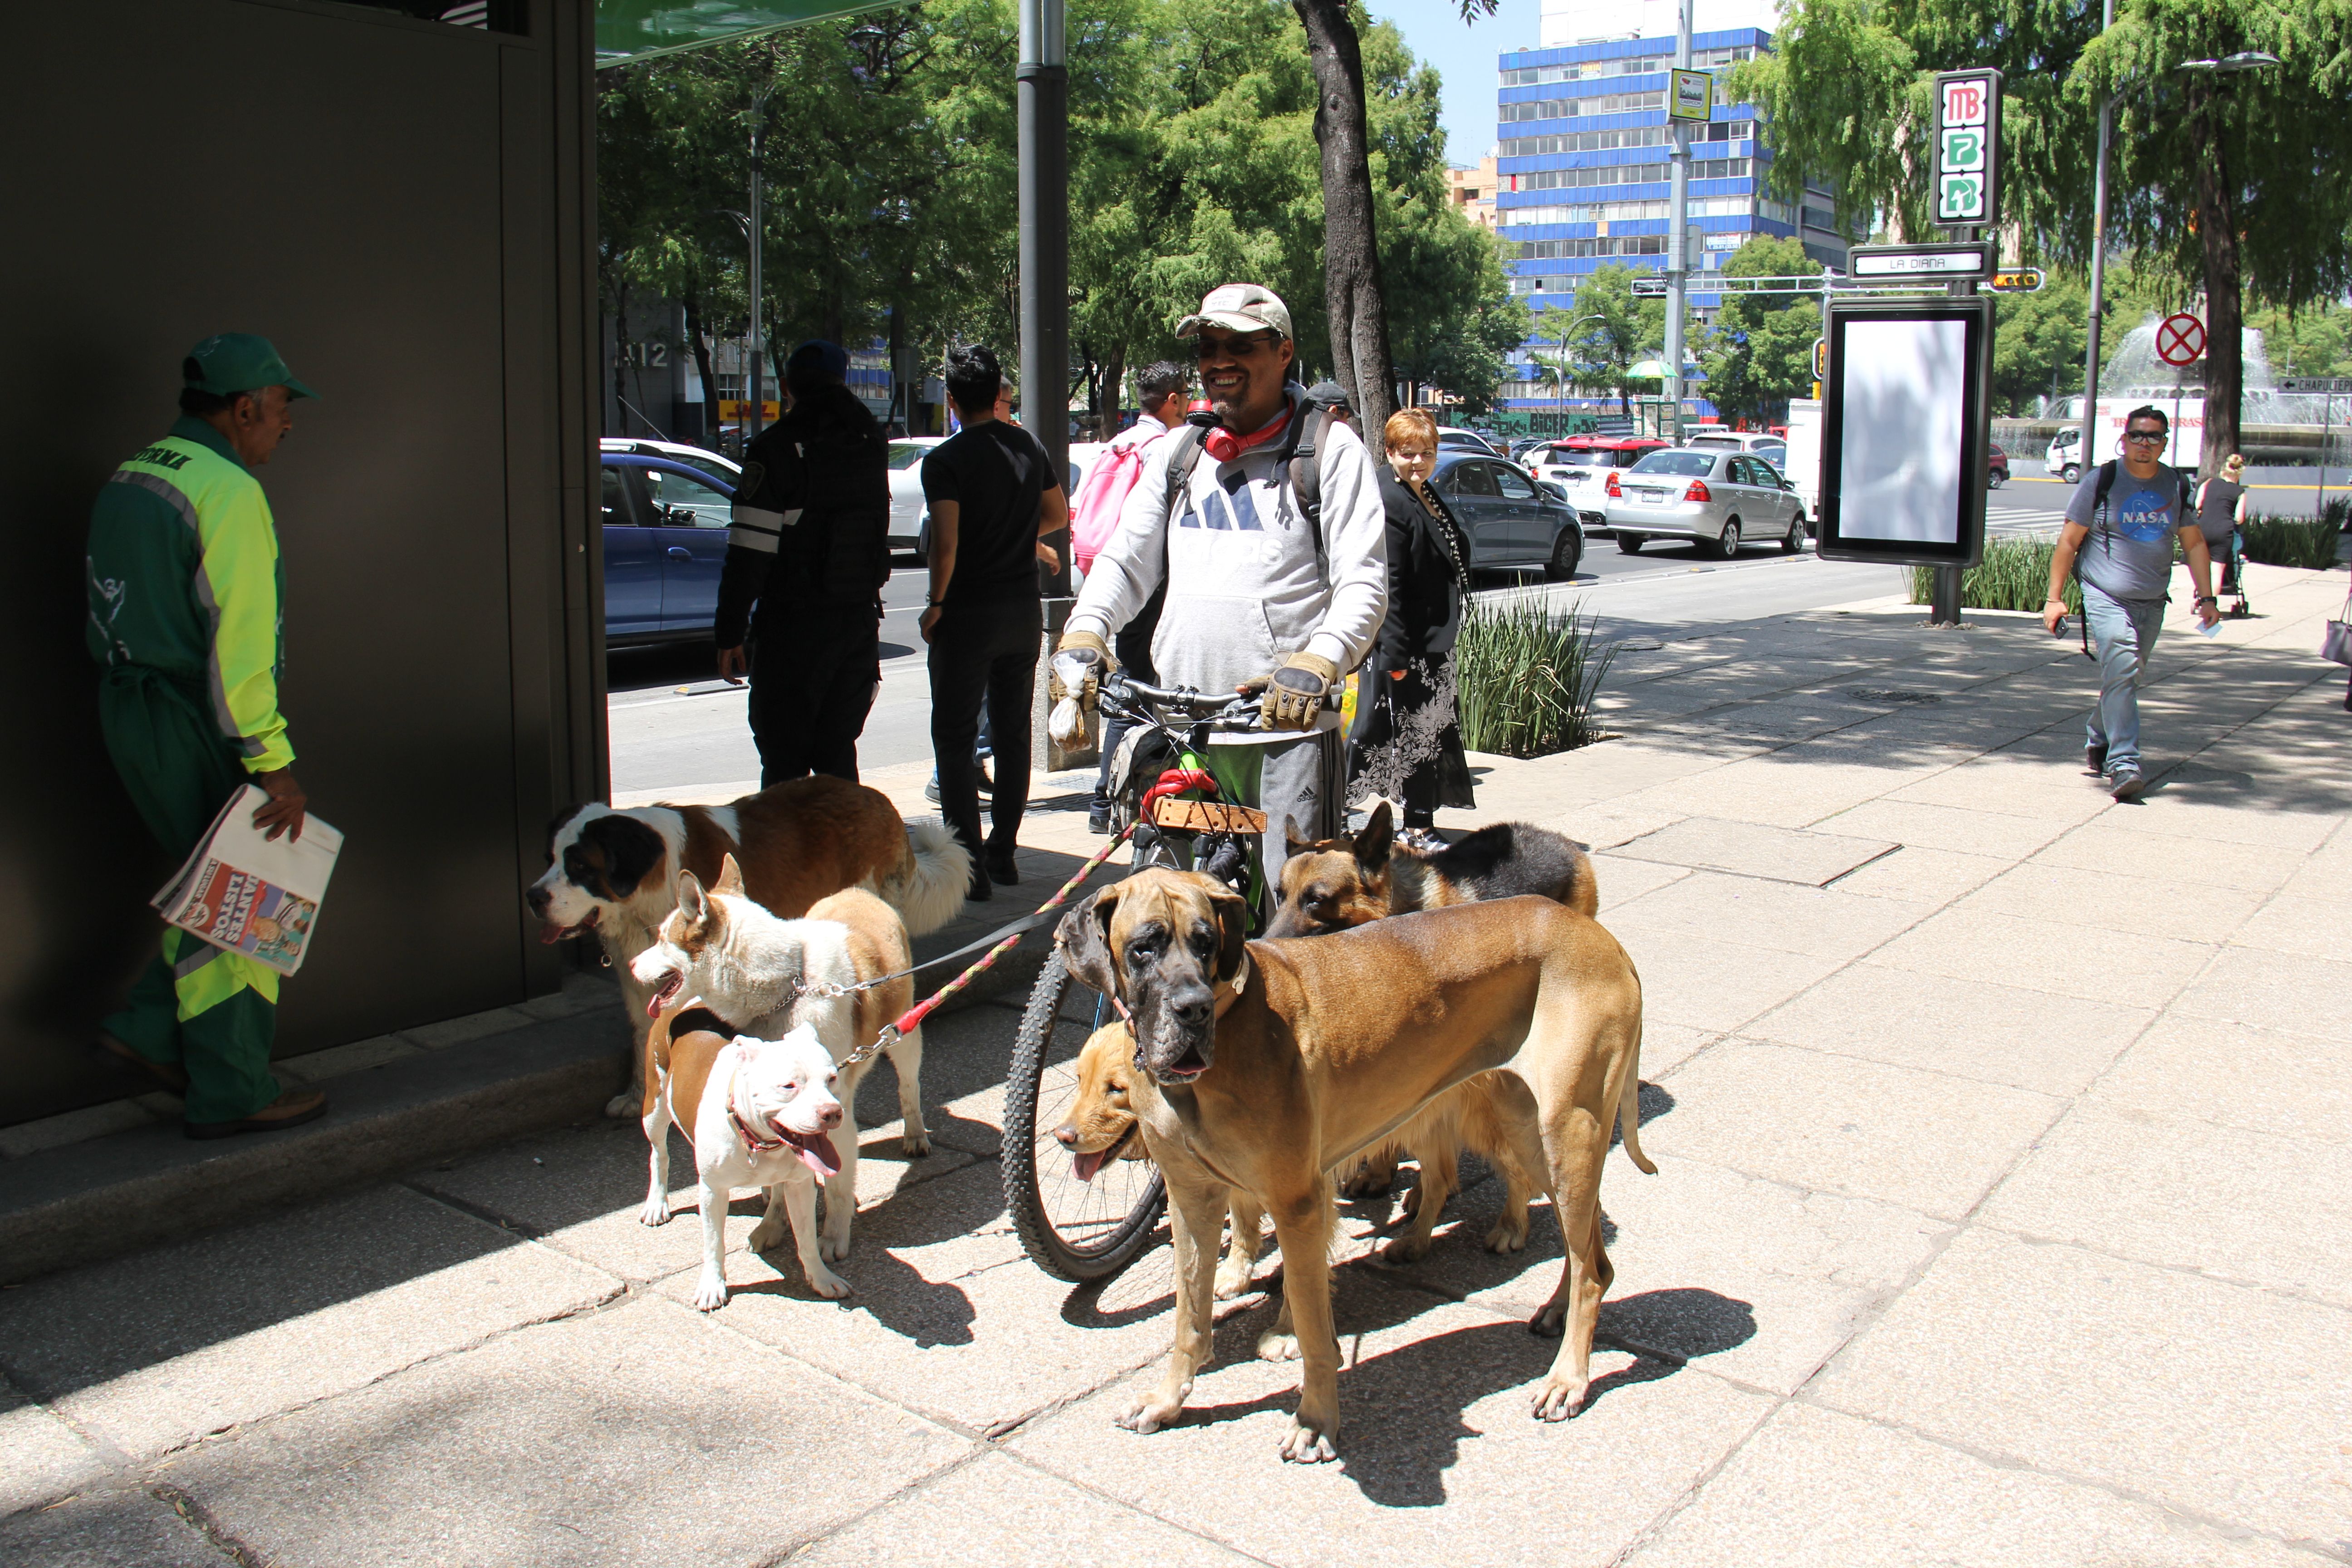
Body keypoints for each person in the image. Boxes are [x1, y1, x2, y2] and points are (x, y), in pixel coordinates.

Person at [1053, 283, 1387, 911]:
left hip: (1282, 736)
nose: (1219, 361)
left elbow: (1365, 583)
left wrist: (1318, 662)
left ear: (1284, 352)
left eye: (1241, 346)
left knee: (1284, 916)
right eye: (1209, 347)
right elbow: (1126, 563)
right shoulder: (1180, 453)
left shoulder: (1330, 452)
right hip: (1183, 729)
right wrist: (1087, 632)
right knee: (1165, 912)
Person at [85, 334, 328, 1138]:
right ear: (245, 407)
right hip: (196, 718)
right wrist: (273, 762)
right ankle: (233, 1091)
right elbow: (240, 648)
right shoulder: (227, 491)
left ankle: (150, 1029)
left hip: (131, 707)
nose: (287, 424)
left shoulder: (137, 472)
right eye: (283, 407)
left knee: (213, 889)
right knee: (246, 904)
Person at [920, 346, 1068, 900]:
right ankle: (1003, 853)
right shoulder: (1027, 444)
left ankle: (970, 871)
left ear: (953, 401)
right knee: (1011, 735)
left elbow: (947, 544)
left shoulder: (947, 461)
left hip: (968, 615)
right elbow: (1058, 516)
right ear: (997, 394)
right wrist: (1019, 538)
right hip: (1021, 612)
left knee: (955, 740)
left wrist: (936, 602)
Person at [717, 340, 891, 785]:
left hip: (794, 633)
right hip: (856, 628)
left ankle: (790, 857)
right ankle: (849, 855)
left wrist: (729, 634)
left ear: (790, 387)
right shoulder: (869, 444)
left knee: (784, 768)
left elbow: (748, 555)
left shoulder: (775, 451)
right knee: (837, 758)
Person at [2043, 405, 2221, 801]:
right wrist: (2054, 600)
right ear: (2124, 439)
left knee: (2127, 676)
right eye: (2137, 435)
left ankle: (2099, 734)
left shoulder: (2176, 485)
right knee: (2122, 666)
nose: (2144, 443)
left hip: (2152, 600)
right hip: (2104, 594)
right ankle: (2124, 763)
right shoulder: (2102, 480)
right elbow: (2069, 541)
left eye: (2153, 437)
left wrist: (2207, 597)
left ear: (2164, 443)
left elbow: (2193, 542)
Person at [1350, 408, 1475, 846]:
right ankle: (1415, 828)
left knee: (1427, 734)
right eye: (1408, 454)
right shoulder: (1391, 497)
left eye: (1427, 453)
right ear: (1389, 452)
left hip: (1432, 641)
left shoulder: (1422, 491)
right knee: (1405, 738)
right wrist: (1396, 656)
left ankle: (1418, 822)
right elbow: (1392, 584)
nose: (1419, 462)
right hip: (1409, 648)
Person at [1085, 360, 1190, 834]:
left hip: (1110, 581)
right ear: (1172, 400)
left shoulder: (1117, 442)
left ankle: (1105, 801)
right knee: (1138, 696)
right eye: (1185, 398)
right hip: (1149, 590)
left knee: (1127, 690)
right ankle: (1110, 803)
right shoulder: (1165, 448)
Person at [2196, 451, 2252, 612]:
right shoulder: (2240, 493)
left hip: (2203, 528)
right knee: (2217, 570)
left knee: (2201, 566)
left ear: (2224, 470)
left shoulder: (2208, 484)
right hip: (2223, 532)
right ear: (2239, 473)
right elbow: (2239, 519)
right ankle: (2210, 605)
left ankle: (2200, 596)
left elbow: (2197, 505)